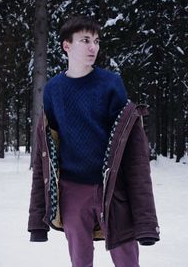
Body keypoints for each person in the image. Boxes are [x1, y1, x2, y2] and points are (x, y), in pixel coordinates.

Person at [28, 15, 160, 267]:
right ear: (67, 45)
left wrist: (145, 223)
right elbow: (45, 155)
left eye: (96, 41)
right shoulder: (54, 90)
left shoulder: (111, 84)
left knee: (127, 259)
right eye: (85, 40)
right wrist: (37, 221)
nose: (93, 47)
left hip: (112, 188)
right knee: (80, 262)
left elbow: (133, 153)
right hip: (72, 190)